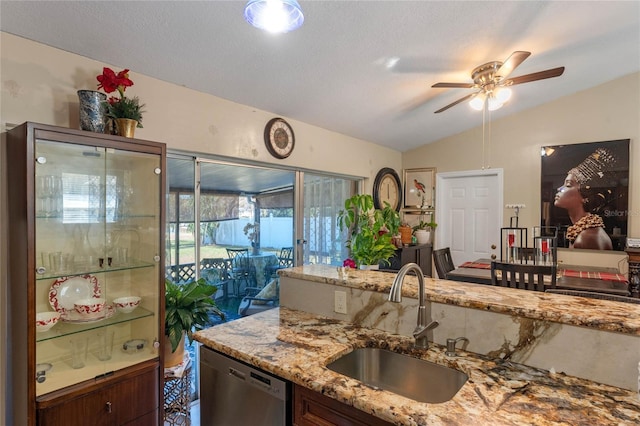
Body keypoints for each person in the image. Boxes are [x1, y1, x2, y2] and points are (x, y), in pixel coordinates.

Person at [554, 148, 614, 250]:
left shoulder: (588, 238)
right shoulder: (583, 232)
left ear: (585, 197)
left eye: (568, 185)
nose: (559, 189)